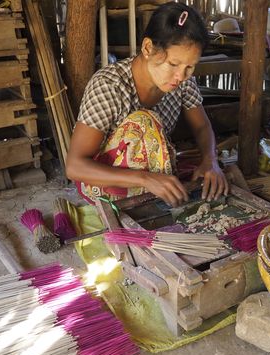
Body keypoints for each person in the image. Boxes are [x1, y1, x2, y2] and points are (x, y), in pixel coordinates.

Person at [66, 2, 228, 207]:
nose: (181, 76)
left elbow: (201, 126)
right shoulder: (109, 85)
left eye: (190, 67)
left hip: (150, 174)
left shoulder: (184, 82)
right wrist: (145, 179)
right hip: (103, 180)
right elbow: (75, 167)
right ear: (148, 48)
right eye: (173, 64)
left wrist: (210, 160)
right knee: (144, 120)